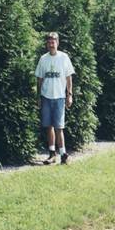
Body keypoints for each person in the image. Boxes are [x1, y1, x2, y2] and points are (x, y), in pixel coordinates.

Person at [35, 32, 74, 165]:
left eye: (54, 42)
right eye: (49, 42)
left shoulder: (64, 58)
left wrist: (69, 95)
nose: (51, 44)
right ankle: (52, 154)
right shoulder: (43, 59)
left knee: (59, 127)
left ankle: (63, 154)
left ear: (58, 43)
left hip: (60, 97)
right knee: (48, 126)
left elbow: (69, 77)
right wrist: (38, 96)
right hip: (46, 97)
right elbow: (39, 79)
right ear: (47, 44)